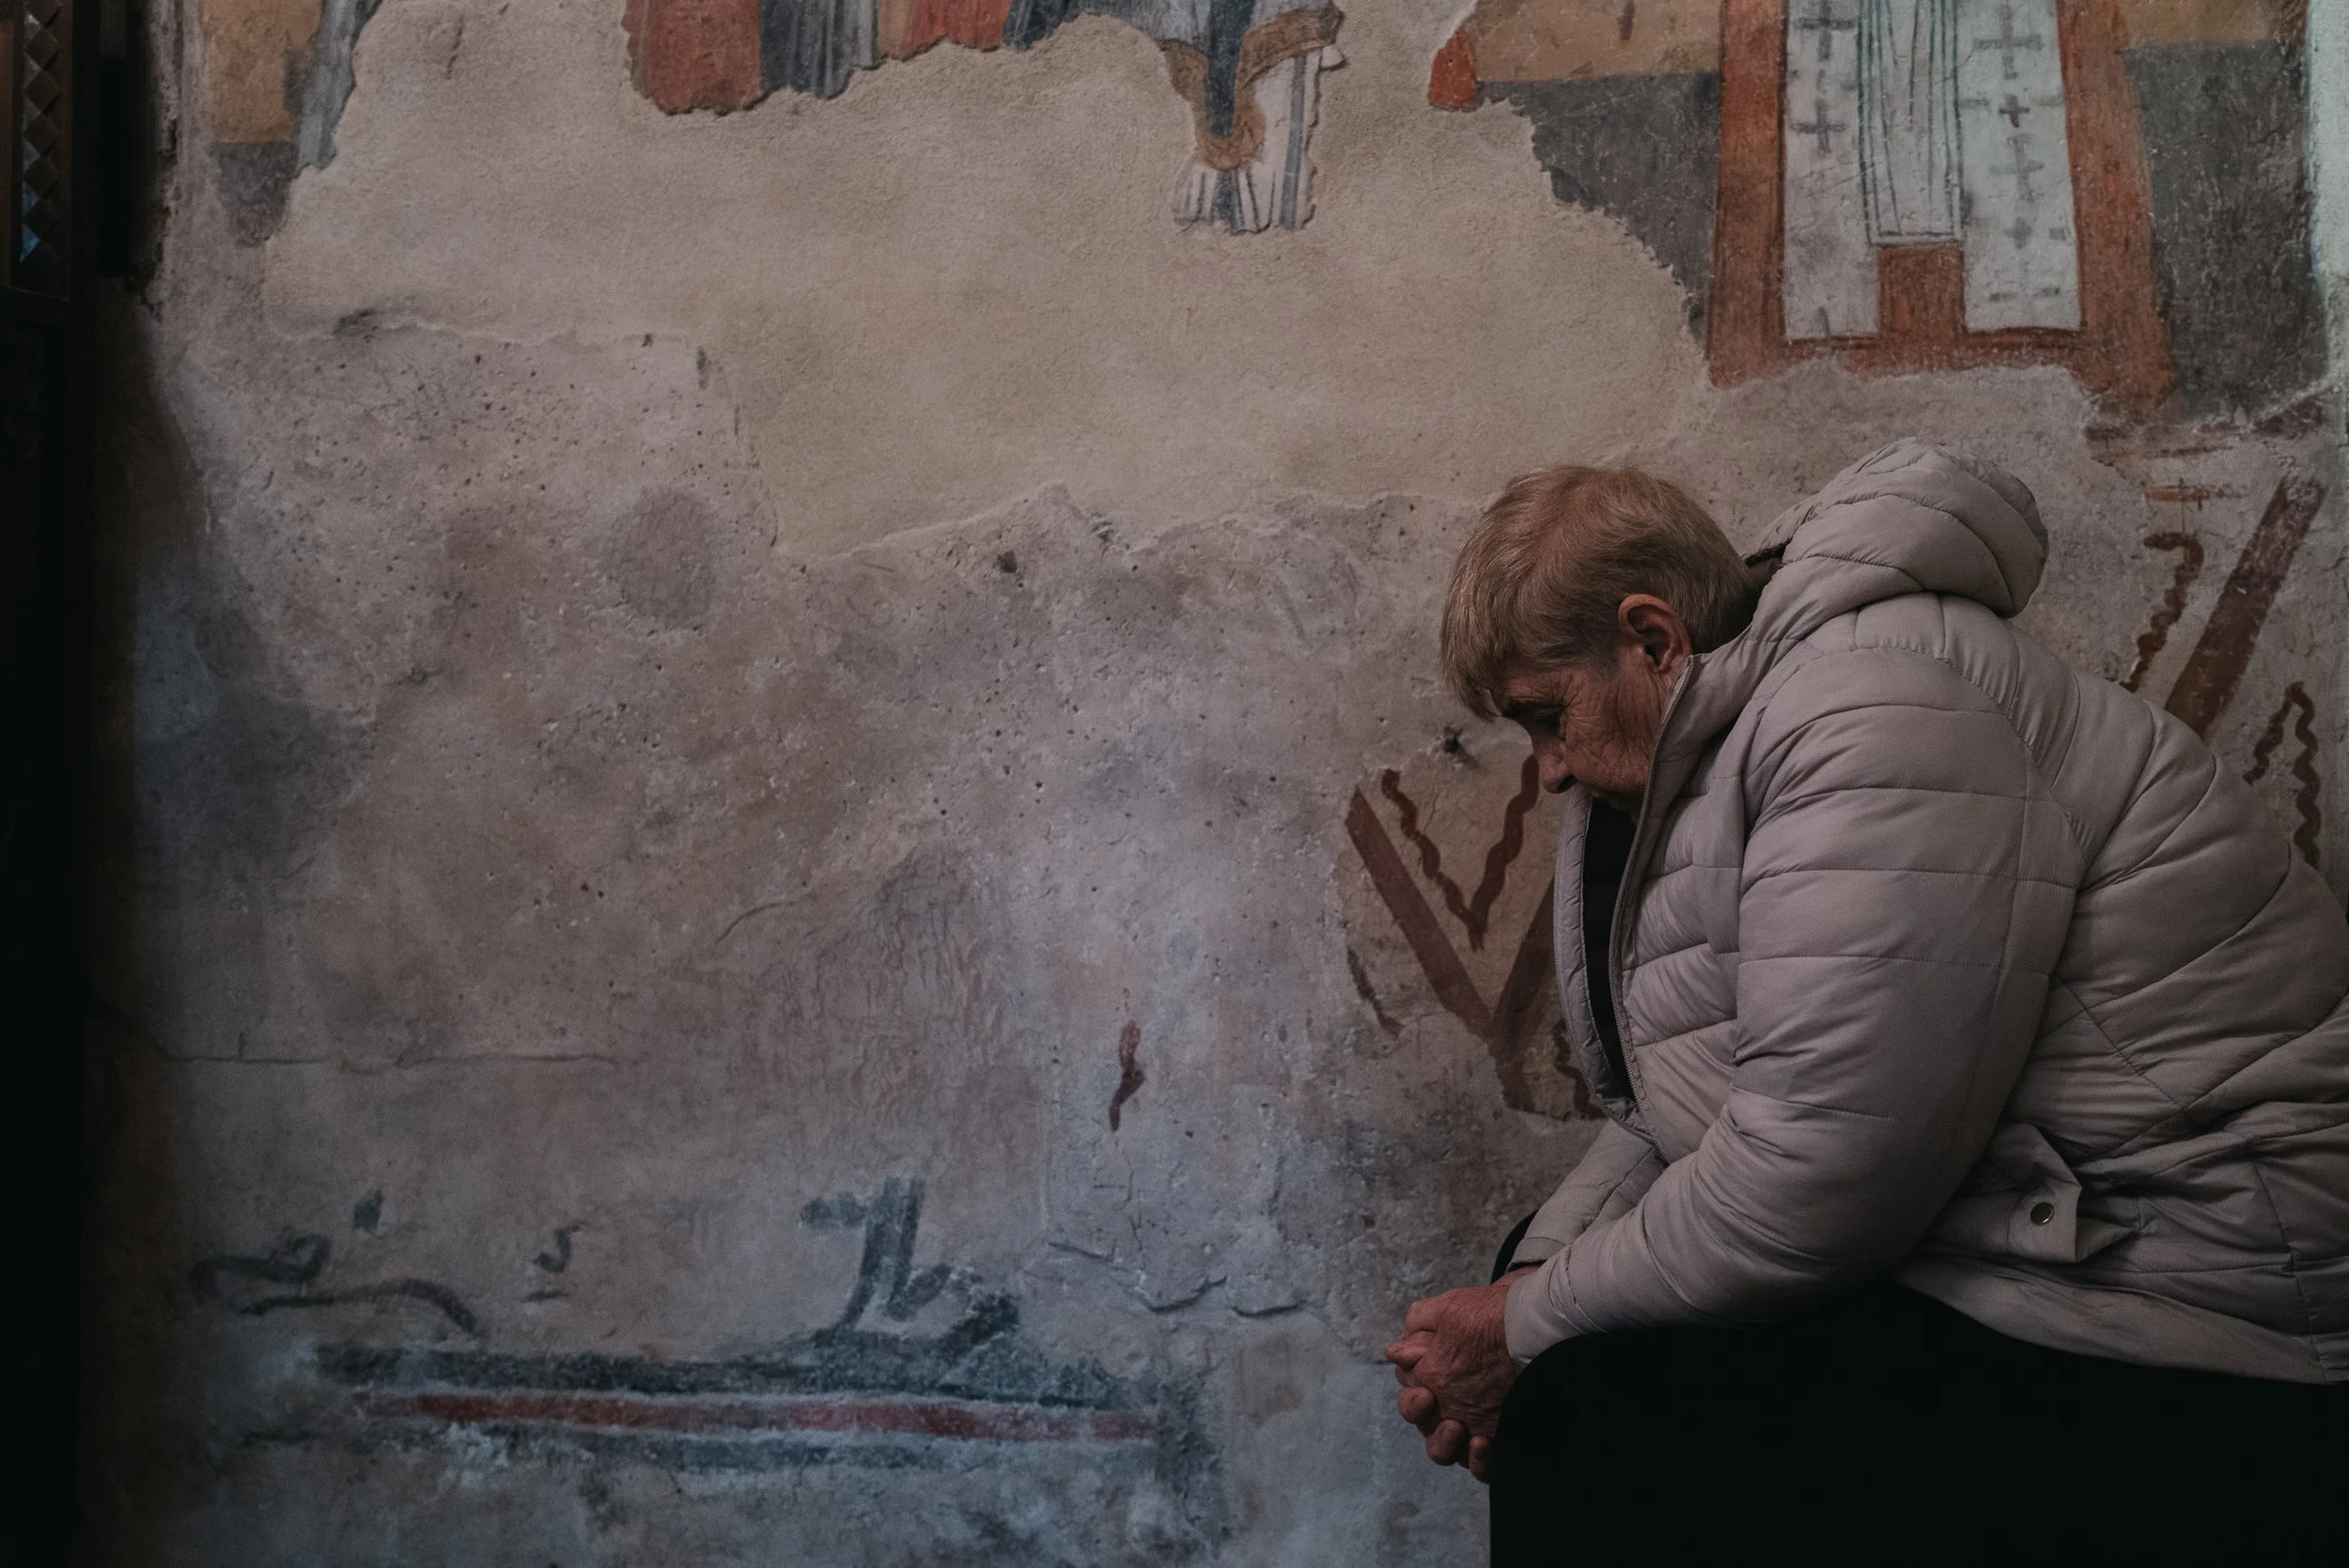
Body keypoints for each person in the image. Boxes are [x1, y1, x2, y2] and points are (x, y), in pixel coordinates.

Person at [1384, 441, 2349, 1563]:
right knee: (1549, 1294)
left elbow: (1815, 1184)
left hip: (2203, 1276)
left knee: (1596, 1411)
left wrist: (1527, 1332)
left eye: (1547, 716)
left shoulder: (1874, 716)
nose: (1545, 769)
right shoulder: (1728, 737)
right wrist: (1525, 1286)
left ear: (1650, 639)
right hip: (2043, 1225)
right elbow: (1685, 1105)